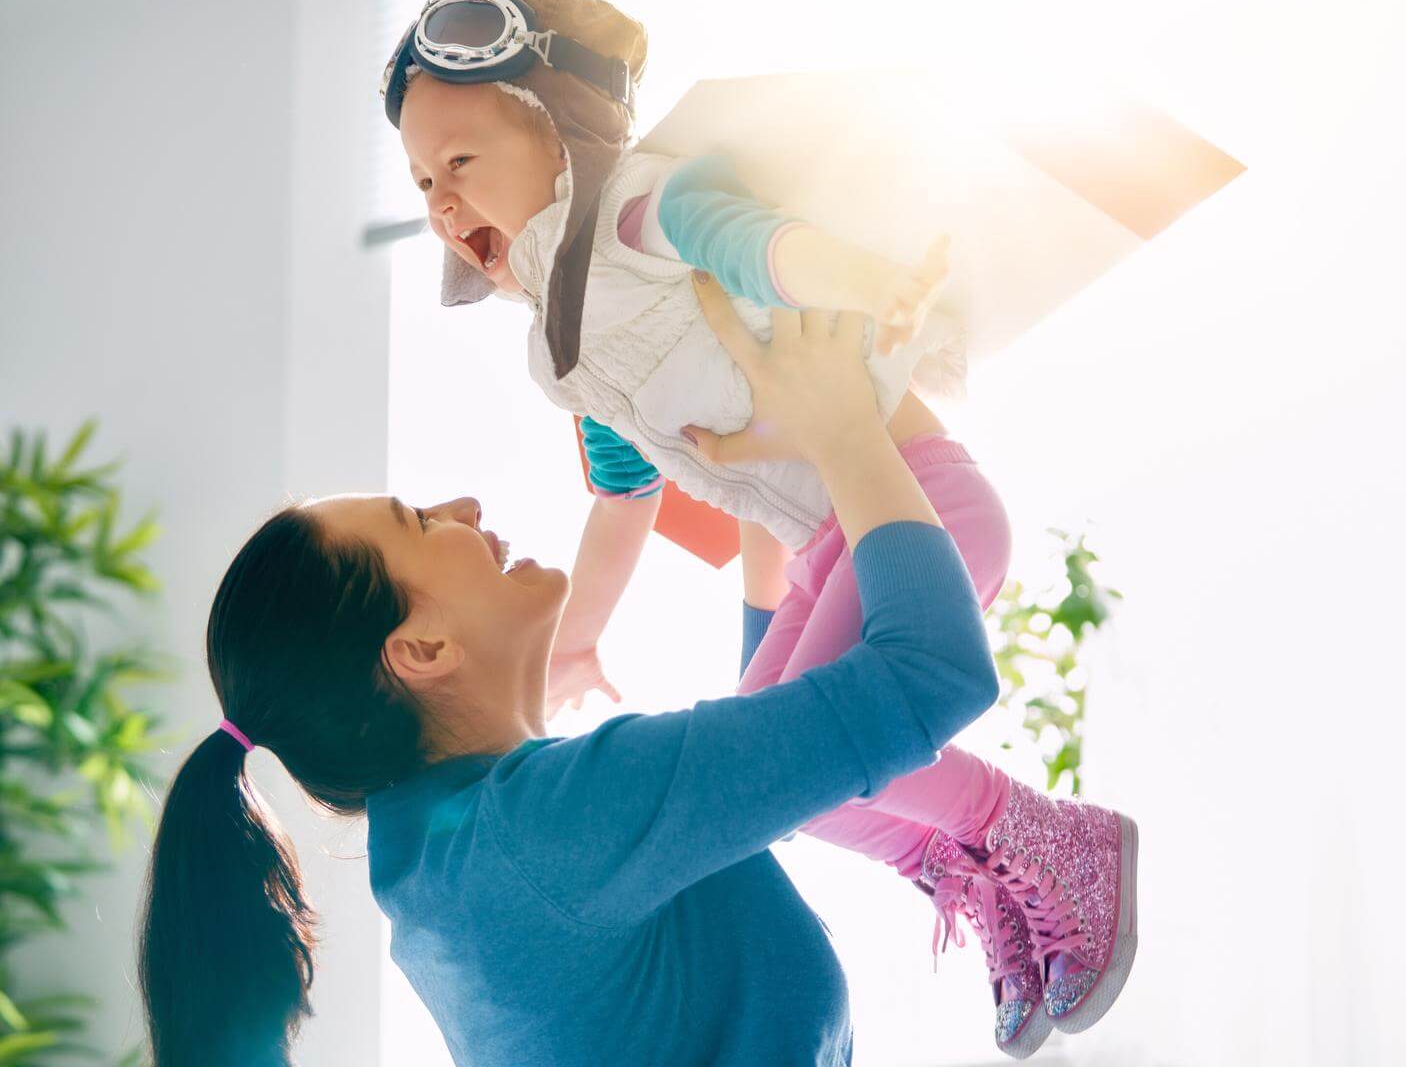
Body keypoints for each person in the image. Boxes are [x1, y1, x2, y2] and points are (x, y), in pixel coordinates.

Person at [379, 0, 1138, 1053]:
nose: (441, 200)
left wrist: (862, 280)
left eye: (459, 160)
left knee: (817, 749)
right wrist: (582, 638)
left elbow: (743, 241)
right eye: (422, 183)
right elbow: (622, 495)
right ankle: (968, 868)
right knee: (781, 786)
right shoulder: (566, 350)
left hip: (917, 500)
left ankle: (1047, 839)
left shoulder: (633, 214)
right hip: (839, 541)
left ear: (555, 122)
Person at [136, 283, 1133, 1067]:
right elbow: (928, 671)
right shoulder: (548, 830)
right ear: (421, 651)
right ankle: (1035, 834)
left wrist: (756, 504)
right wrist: (844, 431)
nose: (466, 504)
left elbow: (754, 759)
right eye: (420, 522)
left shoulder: (461, 858)